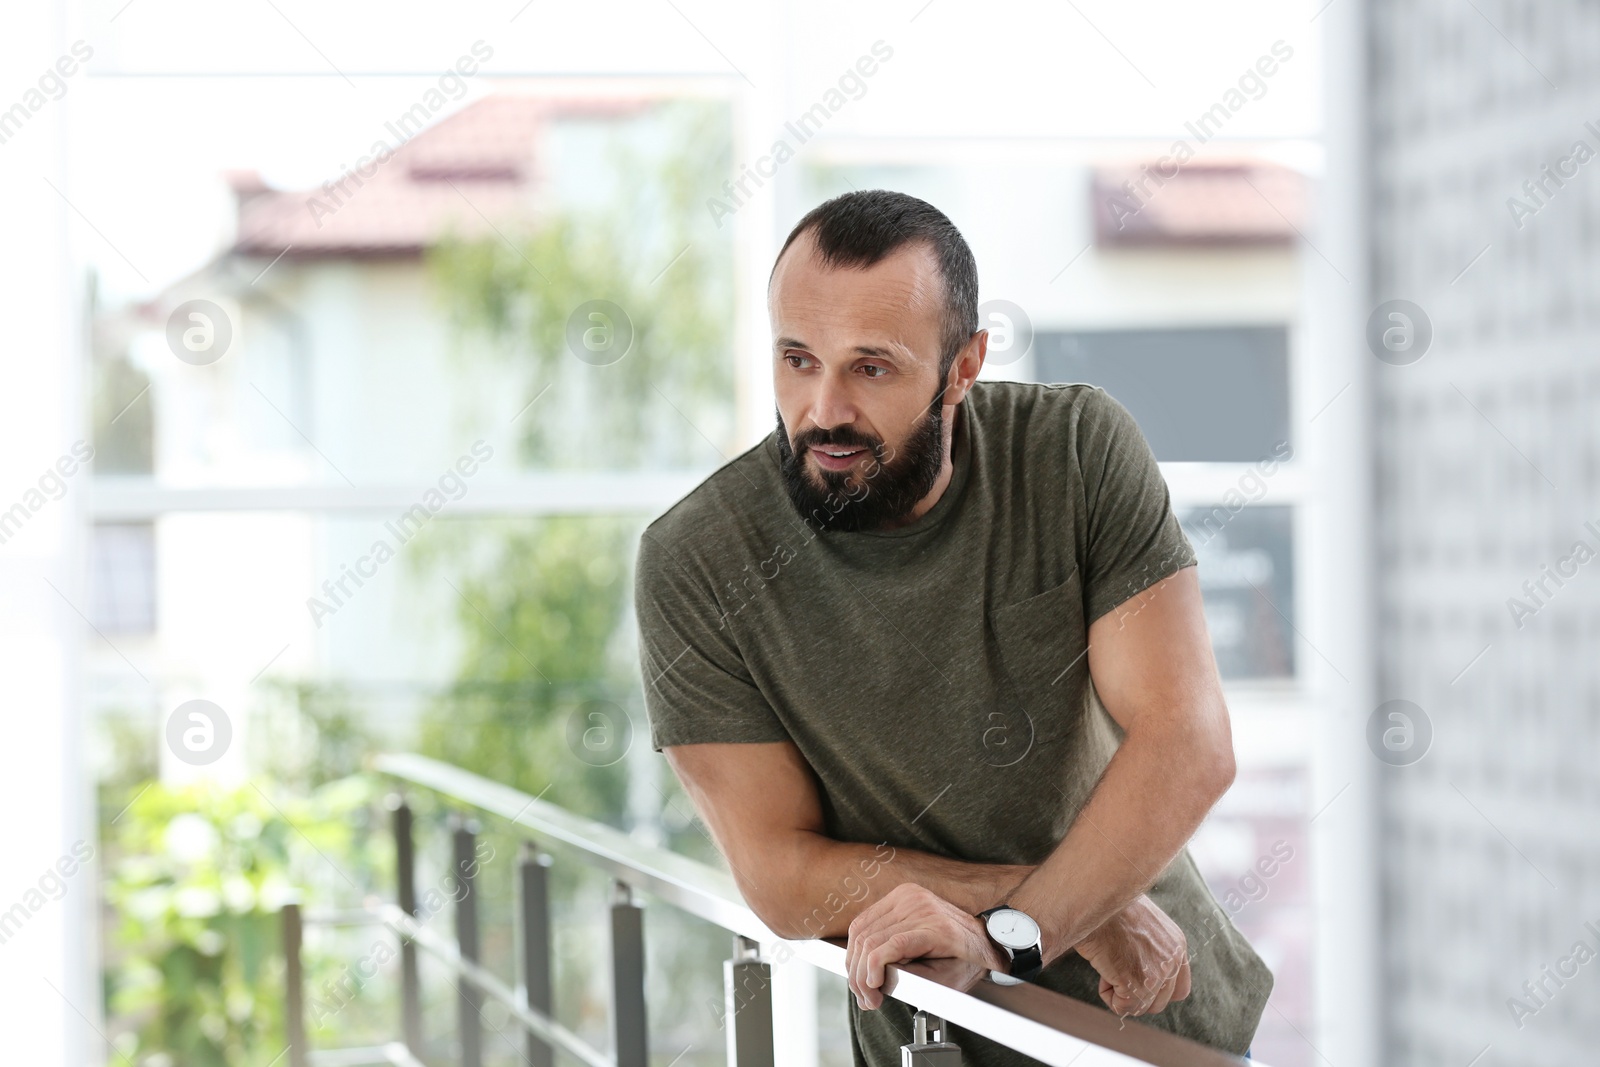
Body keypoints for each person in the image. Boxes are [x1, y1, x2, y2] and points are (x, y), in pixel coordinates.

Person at [634, 189, 1270, 1065]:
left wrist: (1013, 931)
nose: (822, 410)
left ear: (963, 367)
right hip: (933, 1044)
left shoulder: (1075, 452)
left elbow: (1188, 741)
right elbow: (781, 873)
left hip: (1161, 1027)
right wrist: (1038, 905)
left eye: (873, 367)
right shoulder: (698, 561)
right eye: (797, 358)